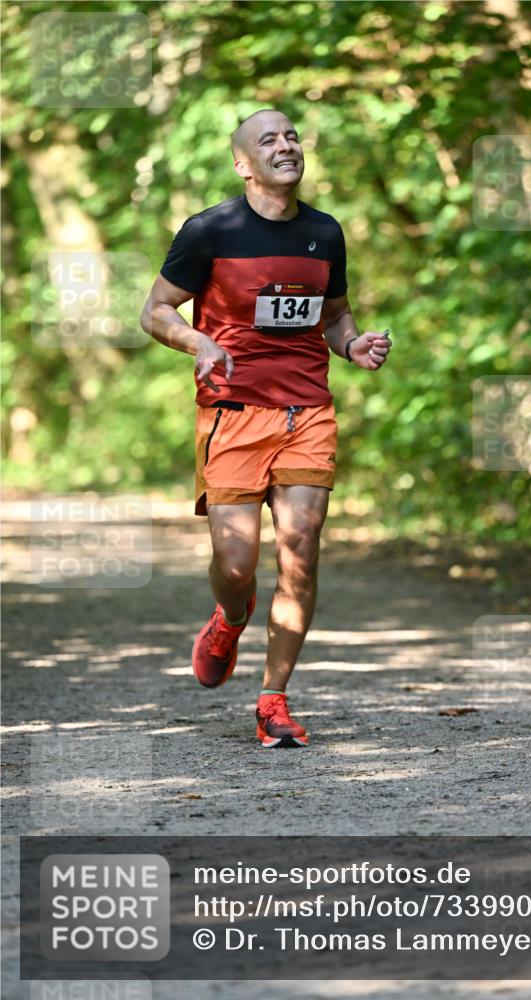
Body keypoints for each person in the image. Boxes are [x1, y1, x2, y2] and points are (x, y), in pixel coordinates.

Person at [140, 108, 392, 748]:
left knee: (300, 554)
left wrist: (353, 345)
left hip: (305, 410)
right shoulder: (210, 231)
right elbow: (154, 311)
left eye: (292, 136)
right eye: (268, 140)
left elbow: (334, 316)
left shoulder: (325, 233)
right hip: (232, 410)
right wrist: (196, 341)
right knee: (236, 561)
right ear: (242, 164)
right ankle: (228, 617)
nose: (286, 146)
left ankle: (273, 700)